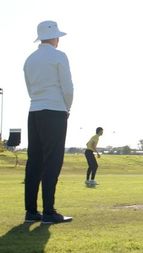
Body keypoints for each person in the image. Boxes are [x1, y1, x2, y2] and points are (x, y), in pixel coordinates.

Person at [23, 21, 74, 224]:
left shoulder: (30, 59)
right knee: (52, 161)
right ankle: (49, 212)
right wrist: (67, 108)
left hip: (34, 111)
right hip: (54, 111)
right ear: (54, 37)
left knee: (34, 161)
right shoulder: (59, 56)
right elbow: (68, 88)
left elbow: (29, 88)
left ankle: (31, 211)